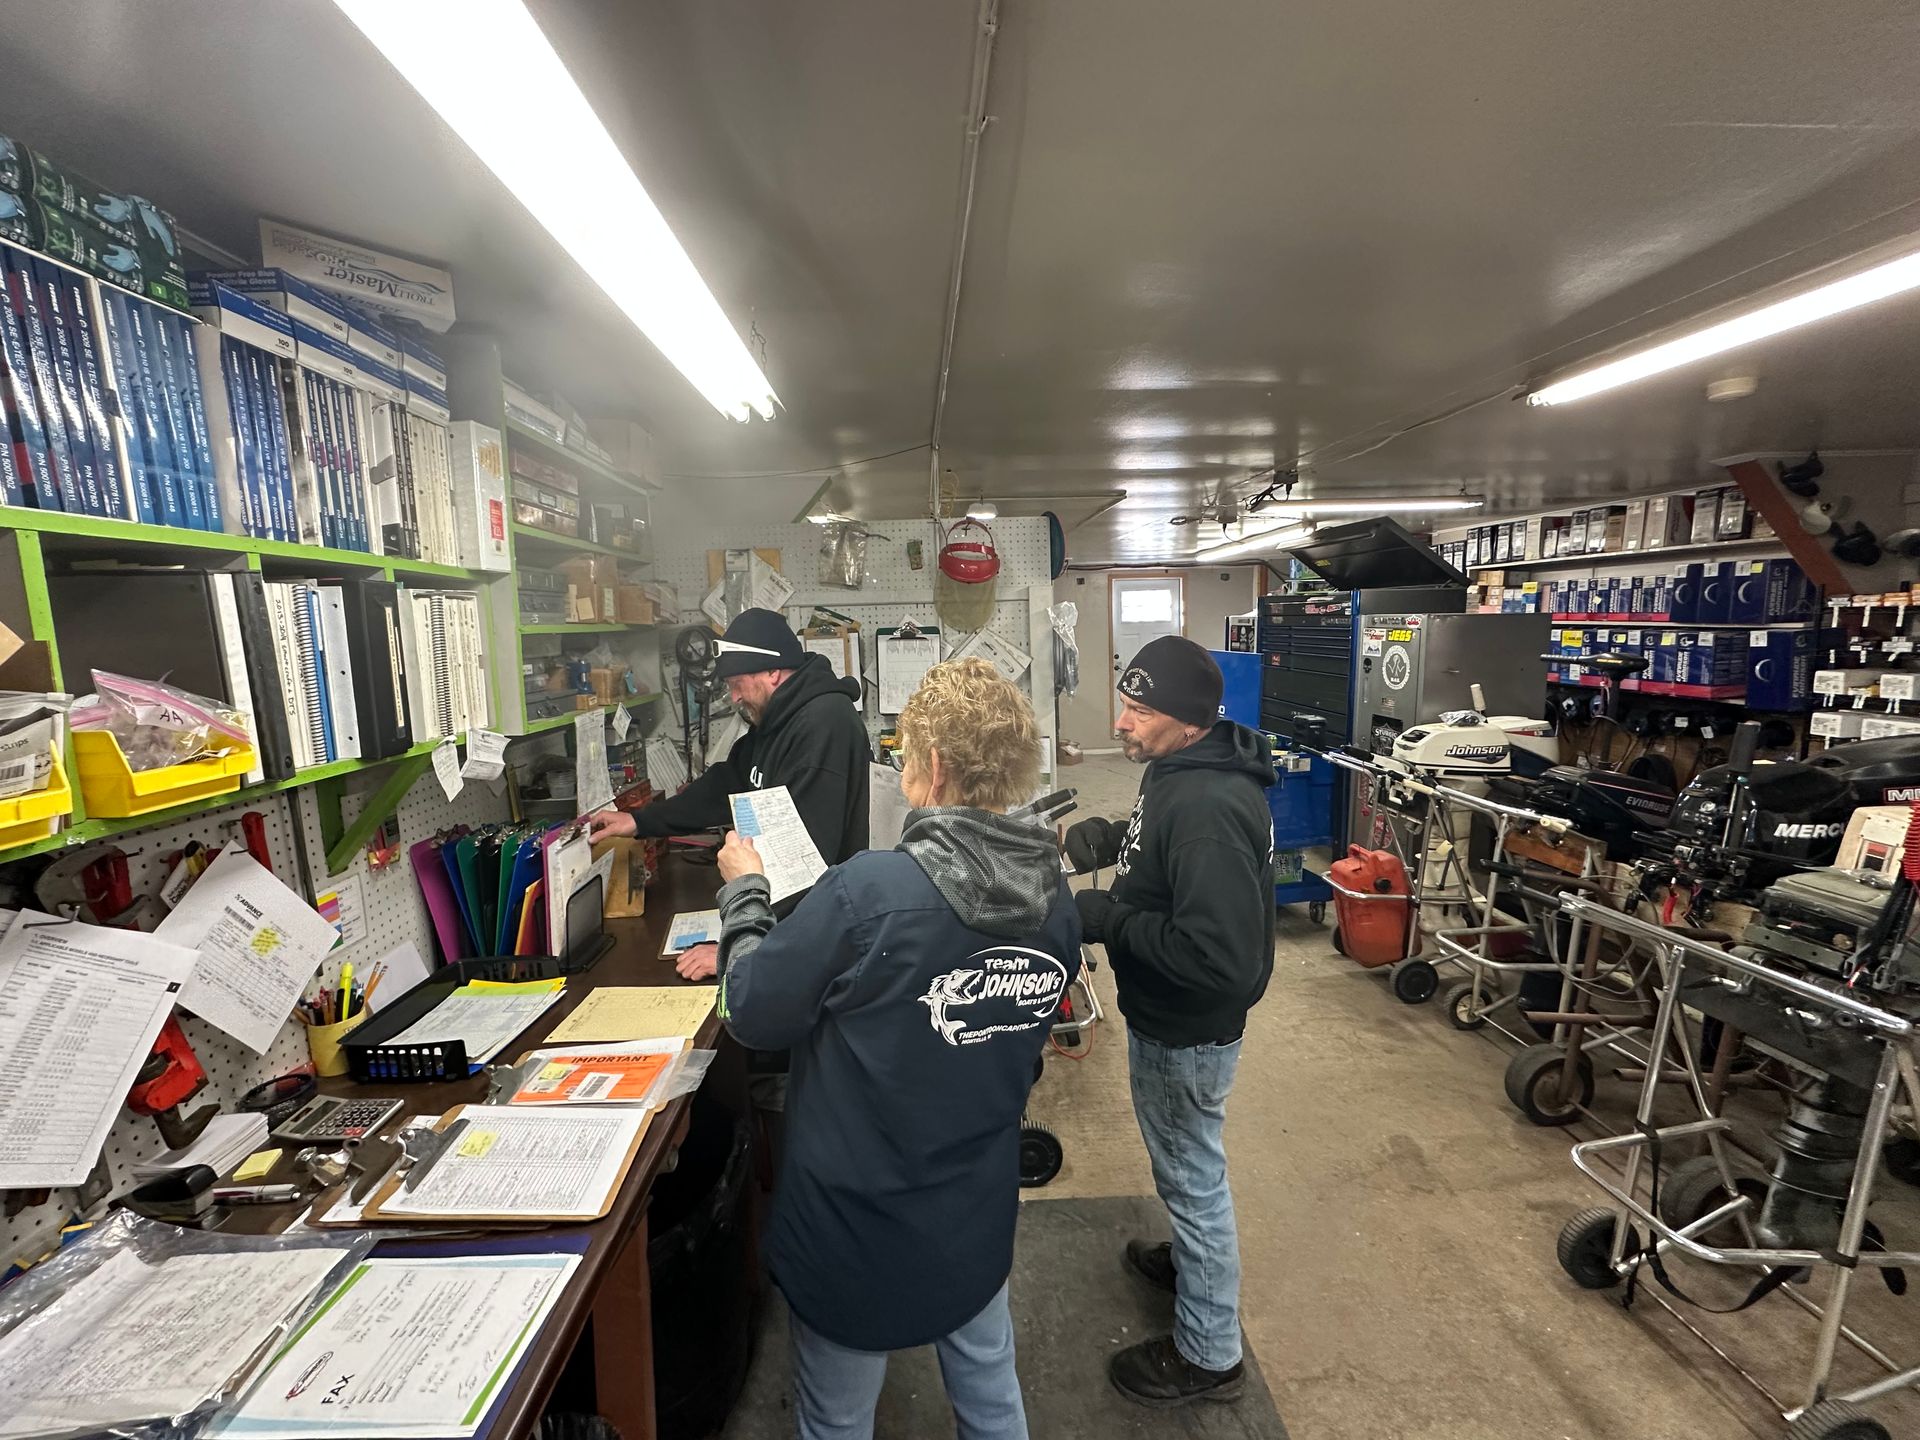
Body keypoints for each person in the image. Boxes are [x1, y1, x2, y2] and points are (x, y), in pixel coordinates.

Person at [711, 658, 1079, 1440]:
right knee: (990, 1396)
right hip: (973, 1210)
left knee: (838, 1419)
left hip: (856, 1225)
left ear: (933, 767)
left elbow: (748, 1011)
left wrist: (744, 891)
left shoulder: (868, 893)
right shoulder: (1054, 897)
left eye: (905, 756)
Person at [1064, 635, 1275, 1408]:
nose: (1122, 721)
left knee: (1192, 1180)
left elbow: (1218, 955)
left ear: (1187, 721)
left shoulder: (1211, 805)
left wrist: (1106, 918)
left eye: (1139, 710)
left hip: (1187, 1025)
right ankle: (1192, 1264)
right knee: (1183, 1167)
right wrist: (1112, 839)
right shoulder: (1182, 770)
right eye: (1124, 702)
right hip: (1167, 1014)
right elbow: (1162, 845)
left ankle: (1210, 1354)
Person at [589, 607, 869, 978]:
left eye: (738, 683)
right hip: (789, 928)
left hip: (819, 944)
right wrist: (638, 821)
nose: (734, 697)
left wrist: (740, 948)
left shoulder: (822, 725)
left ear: (772, 671)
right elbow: (728, 782)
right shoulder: (778, 719)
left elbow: (804, 865)